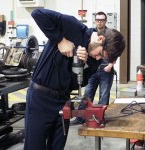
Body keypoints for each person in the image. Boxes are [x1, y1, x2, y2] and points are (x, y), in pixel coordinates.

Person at [24, 8, 125, 150]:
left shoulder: (94, 60)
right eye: (101, 54)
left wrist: (84, 64)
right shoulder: (73, 27)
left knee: (57, 146)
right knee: (34, 146)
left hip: (63, 102)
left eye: (102, 58)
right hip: (41, 98)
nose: (98, 59)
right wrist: (60, 40)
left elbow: (82, 82)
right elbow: (37, 14)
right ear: (101, 39)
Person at [70, 11, 116, 125]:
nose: (99, 22)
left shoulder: (110, 34)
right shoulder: (91, 33)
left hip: (106, 70)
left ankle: (100, 118)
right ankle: (80, 118)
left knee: (104, 96)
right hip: (92, 71)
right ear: (95, 21)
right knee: (87, 94)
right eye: (98, 20)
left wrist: (110, 65)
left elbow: (115, 53)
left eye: (102, 20)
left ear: (105, 21)